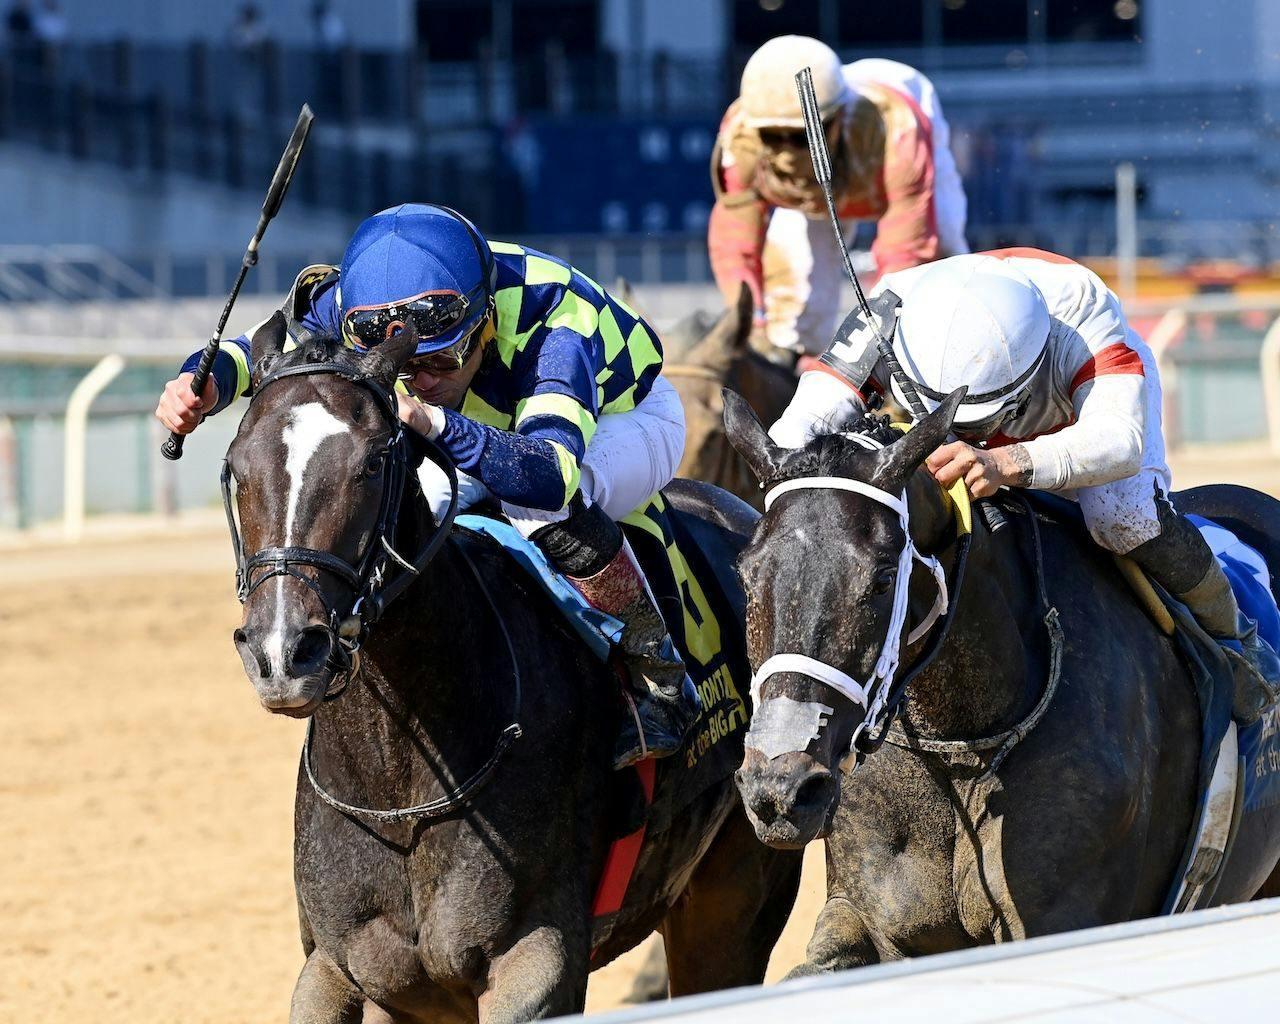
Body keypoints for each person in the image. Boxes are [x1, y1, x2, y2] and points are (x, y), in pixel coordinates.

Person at [155, 204, 698, 769]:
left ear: (486, 319)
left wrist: (434, 422)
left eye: (441, 358)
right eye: (405, 368)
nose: (426, 380)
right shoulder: (354, 305)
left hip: (622, 418)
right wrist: (204, 387)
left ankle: (657, 676)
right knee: (417, 511)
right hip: (487, 426)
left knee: (536, 510)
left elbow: (549, 476)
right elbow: (247, 355)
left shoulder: (557, 327)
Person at [769, 248, 1280, 697]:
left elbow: (1121, 442)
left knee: (1122, 517)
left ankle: (1235, 641)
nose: (970, 439)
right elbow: (792, 435)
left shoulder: (1083, 317)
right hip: (947, 389)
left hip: (1070, 412)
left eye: (983, 425)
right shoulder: (887, 309)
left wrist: (1004, 461)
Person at [709, 35, 969, 363]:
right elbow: (735, 243)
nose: (788, 157)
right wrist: (752, 320)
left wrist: (877, 343)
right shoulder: (741, 139)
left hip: (888, 153)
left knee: (943, 249)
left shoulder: (896, 129)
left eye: (804, 137)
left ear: (838, 119)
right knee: (789, 315)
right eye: (773, 137)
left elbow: (905, 251)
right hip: (816, 197)